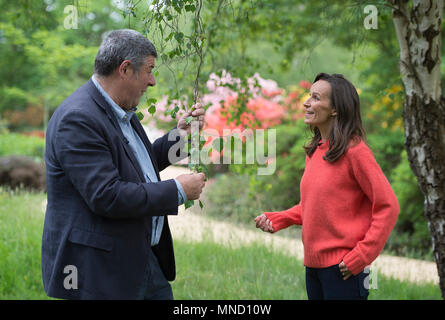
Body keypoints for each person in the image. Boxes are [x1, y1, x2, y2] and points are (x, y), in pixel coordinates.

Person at [42, 29, 206, 300]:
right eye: (150, 70)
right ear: (126, 69)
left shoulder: (119, 109)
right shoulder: (78, 119)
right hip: (100, 271)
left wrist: (181, 137)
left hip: (141, 257)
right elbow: (107, 195)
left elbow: (137, 165)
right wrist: (176, 190)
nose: (153, 81)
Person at [254, 73, 400, 300]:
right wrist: (280, 218)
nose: (306, 102)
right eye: (308, 96)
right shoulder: (315, 151)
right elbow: (314, 205)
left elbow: (388, 206)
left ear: (335, 109)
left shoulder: (355, 151)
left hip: (344, 271)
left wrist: (361, 256)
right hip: (313, 268)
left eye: (316, 97)